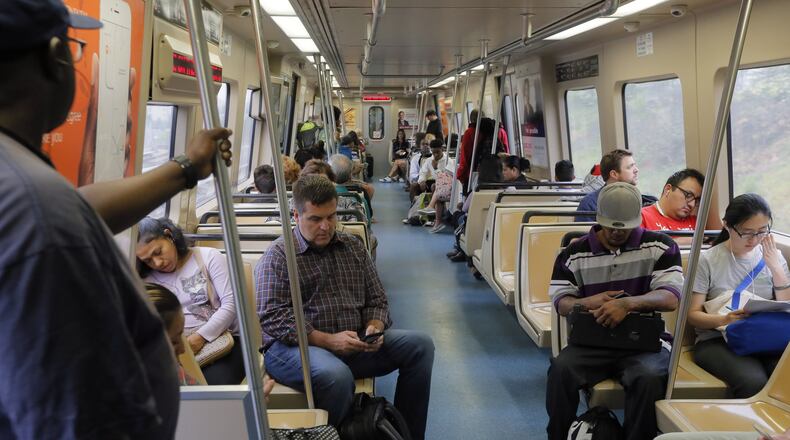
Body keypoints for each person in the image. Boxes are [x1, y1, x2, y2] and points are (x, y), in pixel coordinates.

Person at [0, 2, 232, 437]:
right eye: (75, 48)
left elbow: (80, 207)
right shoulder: (39, 212)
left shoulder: (21, 186)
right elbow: (75, 415)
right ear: (55, 57)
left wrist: (186, 167)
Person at [256, 175, 435, 439]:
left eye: (331, 217)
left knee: (420, 346)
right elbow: (273, 317)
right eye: (315, 219)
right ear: (296, 215)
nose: (326, 226)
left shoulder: (352, 247)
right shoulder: (279, 256)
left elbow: (377, 299)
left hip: (354, 342)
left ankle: (406, 433)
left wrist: (375, 327)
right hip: (295, 349)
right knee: (336, 376)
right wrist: (328, 341)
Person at [547, 183, 683, 440]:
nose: (617, 234)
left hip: (644, 342)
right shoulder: (575, 252)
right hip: (592, 340)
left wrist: (628, 304)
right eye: (611, 227)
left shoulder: (661, 247)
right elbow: (561, 301)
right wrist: (589, 302)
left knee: (648, 376)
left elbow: (670, 297)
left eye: (624, 228)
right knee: (561, 369)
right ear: (599, 220)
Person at [688, 193, 790, 398]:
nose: (755, 240)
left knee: (784, 377)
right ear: (727, 226)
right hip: (716, 340)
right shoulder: (707, 260)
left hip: (764, 336)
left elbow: (785, 306)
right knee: (754, 382)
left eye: (762, 231)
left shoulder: (773, 256)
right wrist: (725, 319)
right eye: (747, 232)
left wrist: (776, 269)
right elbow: (692, 315)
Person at [136, 218, 245, 385]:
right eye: (148, 260)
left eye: (158, 252)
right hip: (174, 349)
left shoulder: (208, 257)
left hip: (221, 342)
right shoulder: (145, 280)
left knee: (211, 386)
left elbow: (231, 303)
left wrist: (199, 338)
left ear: (169, 235)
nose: (157, 263)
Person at [576, 149, 640, 222]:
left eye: (635, 165)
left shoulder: (643, 201)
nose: (636, 170)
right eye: (630, 167)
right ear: (614, 174)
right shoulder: (589, 205)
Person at [455, 111, 510, 194]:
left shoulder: (469, 133)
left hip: (475, 175)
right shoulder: (500, 131)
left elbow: (465, 158)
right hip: (499, 174)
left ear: (471, 120)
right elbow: (506, 152)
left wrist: (461, 176)